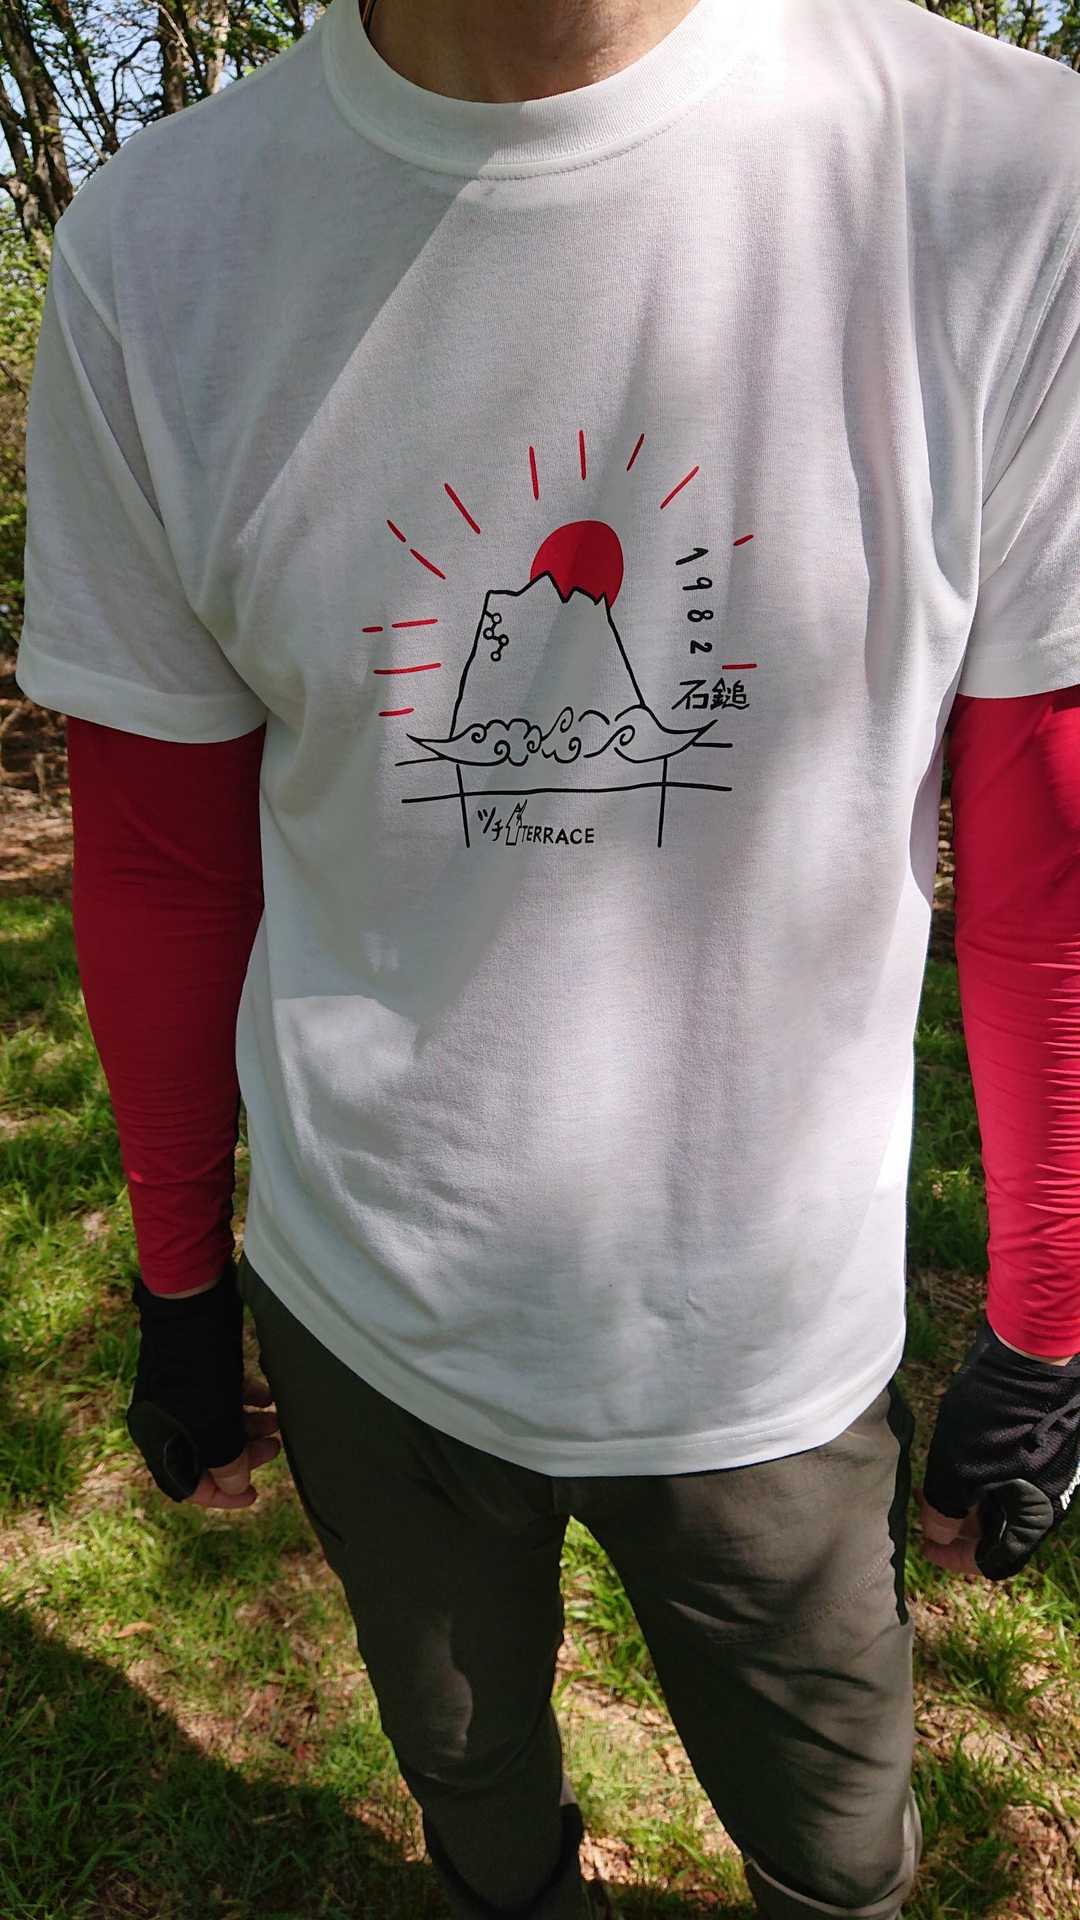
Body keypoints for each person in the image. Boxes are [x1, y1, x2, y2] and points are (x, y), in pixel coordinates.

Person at [15, 0, 1080, 1912]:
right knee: (478, 1803)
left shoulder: (1003, 178)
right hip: (364, 1314)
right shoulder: (155, 253)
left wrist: (1049, 1319)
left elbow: (1049, 862)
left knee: (840, 1866)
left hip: (767, 1355)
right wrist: (181, 1282)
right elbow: (162, 869)